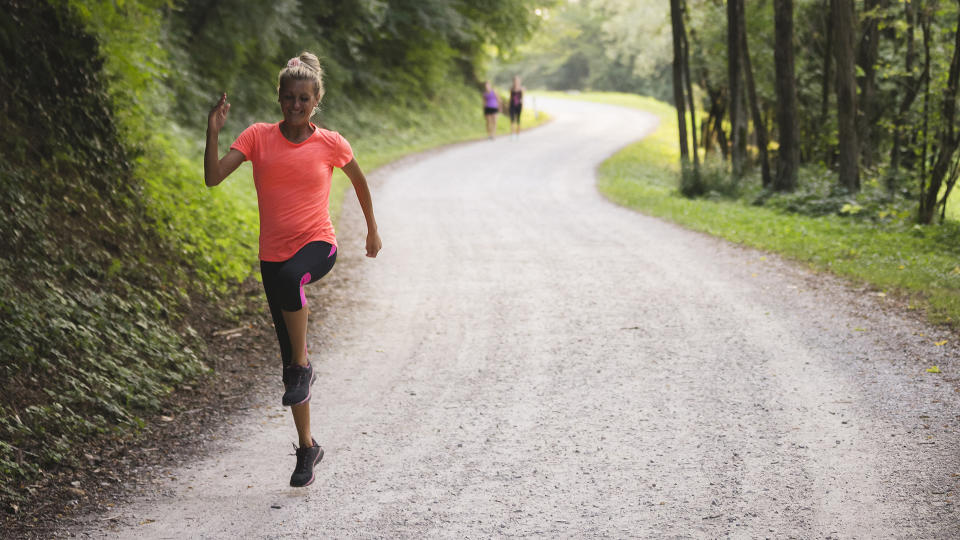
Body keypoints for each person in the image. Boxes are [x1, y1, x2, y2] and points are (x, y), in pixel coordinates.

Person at [204, 52, 381, 488]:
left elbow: (358, 181)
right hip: (273, 256)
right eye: (289, 97)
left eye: (304, 98)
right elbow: (212, 177)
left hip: (318, 246)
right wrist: (212, 132)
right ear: (279, 98)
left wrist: (372, 230)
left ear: (316, 100)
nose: (296, 104)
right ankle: (307, 447)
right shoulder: (257, 138)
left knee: (291, 286)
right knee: (289, 365)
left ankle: (303, 367)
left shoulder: (331, 143)